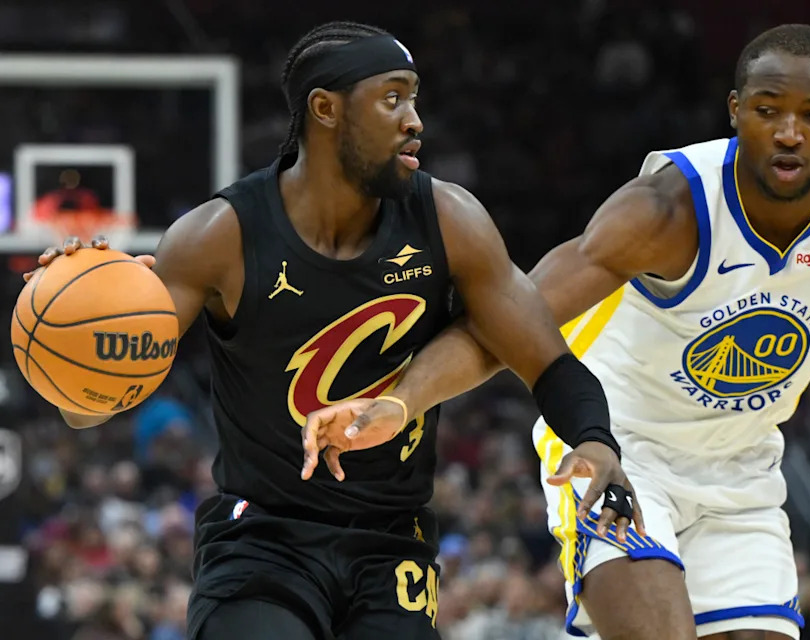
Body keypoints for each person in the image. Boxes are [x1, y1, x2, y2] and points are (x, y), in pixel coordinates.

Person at [305, 24, 810, 640]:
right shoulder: (667, 210)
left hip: (743, 470)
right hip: (617, 449)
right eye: (767, 111)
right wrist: (402, 400)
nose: (789, 133)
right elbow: (510, 322)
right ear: (735, 111)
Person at [26, 21, 641, 640]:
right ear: (325, 109)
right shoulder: (219, 236)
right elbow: (88, 410)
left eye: (414, 99)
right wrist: (75, 323)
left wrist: (595, 439)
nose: (415, 121)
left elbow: (549, 361)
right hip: (262, 537)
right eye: (393, 98)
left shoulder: (449, 220)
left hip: (393, 542)